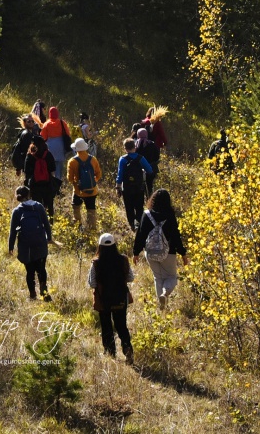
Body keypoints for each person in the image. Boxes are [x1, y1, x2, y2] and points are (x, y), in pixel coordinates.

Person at [133, 188, 188, 309]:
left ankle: (161, 308)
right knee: (172, 277)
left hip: (150, 252)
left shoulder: (146, 214)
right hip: (169, 252)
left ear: (153, 200)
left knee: (158, 278)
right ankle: (165, 293)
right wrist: (182, 253)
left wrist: (136, 252)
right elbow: (175, 234)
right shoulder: (170, 215)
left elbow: (140, 235)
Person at [86, 232, 135, 361]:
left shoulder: (96, 263)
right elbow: (131, 277)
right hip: (120, 299)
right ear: (115, 245)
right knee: (121, 325)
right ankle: (127, 347)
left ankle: (110, 353)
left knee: (106, 326)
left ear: (99, 247)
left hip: (103, 300)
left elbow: (92, 283)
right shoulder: (123, 259)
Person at [9, 185, 53, 300]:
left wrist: (11, 246)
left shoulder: (17, 211)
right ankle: (44, 293)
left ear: (17, 196)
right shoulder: (38, 206)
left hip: (26, 245)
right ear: (29, 195)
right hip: (40, 242)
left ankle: (33, 295)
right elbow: (46, 224)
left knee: (30, 271)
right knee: (41, 269)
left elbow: (13, 231)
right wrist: (49, 238)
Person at [115, 137, 154, 231]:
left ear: (125, 148)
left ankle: (132, 225)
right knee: (139, 207)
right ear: (135, 147)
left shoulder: (122, 159)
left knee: (129, 207)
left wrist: (118, 187)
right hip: (139, 187)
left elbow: (120, 175)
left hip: (127, 188)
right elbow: (150, 170)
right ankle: (139, 224)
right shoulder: (141, 158)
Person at [65, 138, 102, 228]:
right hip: (92, 191)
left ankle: (78, 226)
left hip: (78, 191)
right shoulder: (93, 159)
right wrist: (92, 182)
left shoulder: (72, 161)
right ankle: (91, 229)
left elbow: (70, 178)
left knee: (76, 208)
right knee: (91, 210)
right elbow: (99, 174)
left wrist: (76, 184)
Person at [25, 139, 60, 217]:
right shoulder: (48, 154)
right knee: (49, 206)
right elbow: (53, 170)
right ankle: (50, 223)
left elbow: (26, 171)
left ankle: (38, 223)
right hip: (48, 184)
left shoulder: (30, 155)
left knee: (36, 205)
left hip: (35, 185)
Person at [41, 105, 70, 170]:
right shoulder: (62, 123)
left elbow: (43, 137)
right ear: (57, 113)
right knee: (59, 165)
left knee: (50, 164)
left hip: (50, 146)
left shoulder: (46, 124)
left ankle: (51, 178)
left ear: (49, 114)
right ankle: (58, 178)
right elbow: (68, 133)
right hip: (61, 145)